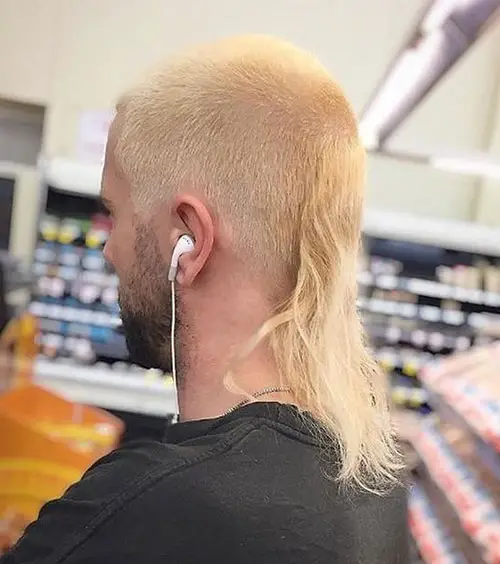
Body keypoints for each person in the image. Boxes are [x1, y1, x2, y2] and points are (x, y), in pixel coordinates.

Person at [2, 35, 408, 563]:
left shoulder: (145, 509)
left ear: (188, 240)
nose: (109, 250)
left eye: (116, 213)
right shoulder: (375, 486)